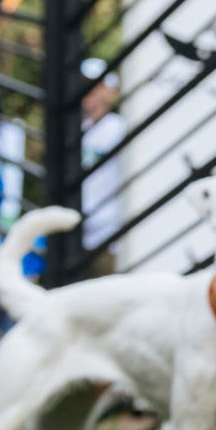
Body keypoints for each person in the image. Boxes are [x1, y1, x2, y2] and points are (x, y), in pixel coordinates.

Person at [79, 58, 127, 277]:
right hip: (76, 236)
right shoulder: (75, 131)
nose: (89, 90)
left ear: (111, 92)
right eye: (84, 83)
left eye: (97, 84)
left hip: (109, 237)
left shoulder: (120, 128)